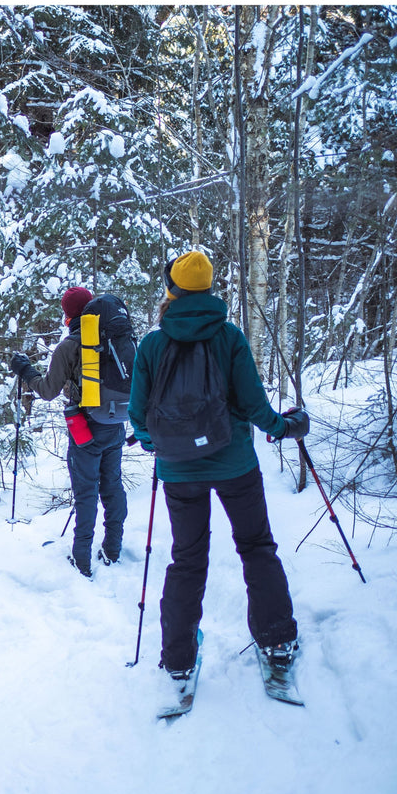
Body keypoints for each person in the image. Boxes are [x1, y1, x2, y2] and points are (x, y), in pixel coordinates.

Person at [127, 250, 309, 681]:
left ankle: (178, 659)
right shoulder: (229, 337)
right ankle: (277, 640)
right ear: (210, 288)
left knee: (187, 560)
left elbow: (138, 414)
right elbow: (253, 406)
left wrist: (158, 445)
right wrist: (285, 427)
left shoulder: (153, 343)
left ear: (171, 289)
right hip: (234, 464)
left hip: (179, 472)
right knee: (257, 547)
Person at [10, 286, 128, 577]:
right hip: (116, 423)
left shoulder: (69, 346)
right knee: (112, 487)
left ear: (68, 315)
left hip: (86, 429)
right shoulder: (113, 338)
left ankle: (82, 558)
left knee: (86, 493)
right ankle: (113, 550)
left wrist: (25, 370)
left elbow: (48, 390)